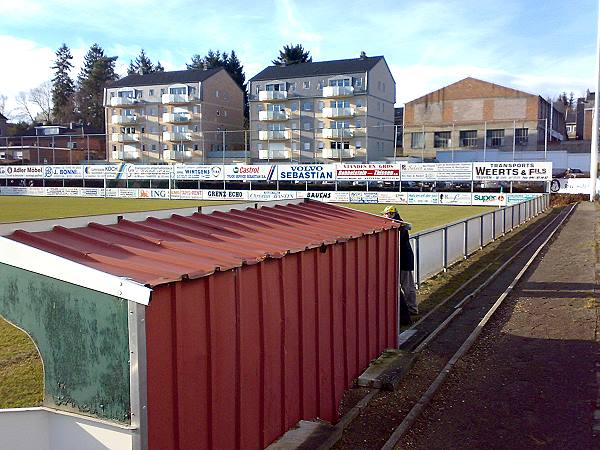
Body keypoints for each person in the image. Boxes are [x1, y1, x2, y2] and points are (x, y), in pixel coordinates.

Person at [383, 206, 418, 315]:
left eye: (385, 214)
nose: (384, 216)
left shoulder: (399, 226)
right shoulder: (399, 224)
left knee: (407, 286)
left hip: (403, 261)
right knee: (405, 286)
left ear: (390, 214)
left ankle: (412, 309)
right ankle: (407, 308)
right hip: (402, 260)